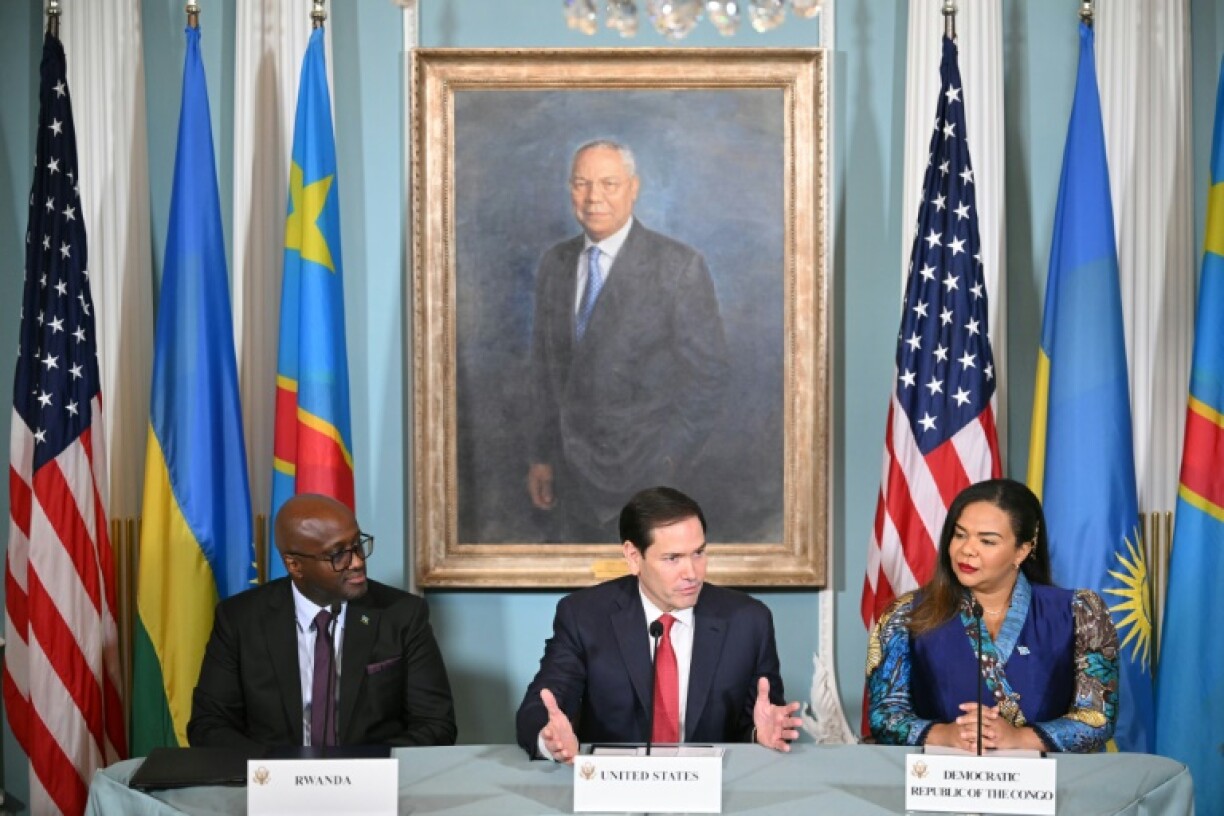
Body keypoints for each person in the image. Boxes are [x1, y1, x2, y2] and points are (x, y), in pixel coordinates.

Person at [527, 139, 729, 541]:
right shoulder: (555, 263)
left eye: (608, 183)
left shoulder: (678, 267)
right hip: (569, 479)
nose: (593, 197)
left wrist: (666, 463)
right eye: (581, 183)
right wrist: (542, 457)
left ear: (633, 188)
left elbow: (708, 378)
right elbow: (544, 371)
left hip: (647, 481)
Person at [515, 486, 802, 762]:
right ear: (633, 557)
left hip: (713, 792)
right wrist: (548, 738)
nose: (691, 573)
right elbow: (540, 707)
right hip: (616, 791)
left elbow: (759, 721)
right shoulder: (584, 616)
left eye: (698, 553)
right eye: (672, 558)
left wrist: (758, 734)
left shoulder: (748, 621)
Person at [866, 478, 1119, 753]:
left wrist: (1018, 739)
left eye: (987, 541)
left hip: (1053, 787)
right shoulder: (905, 615)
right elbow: (884, 715)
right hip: (939, 783)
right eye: (960, 535)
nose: (967, 549)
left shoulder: (1081, 612)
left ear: (1022, 550)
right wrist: (947, 735)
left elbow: (1098, 719)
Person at [188, 494, 456, 750]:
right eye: (338, 554)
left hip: (369, 785)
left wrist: (360, 769)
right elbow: (209, 725)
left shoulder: (402, 614)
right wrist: (276, 771)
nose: (357, 562)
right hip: (272, 784)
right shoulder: (239, 619)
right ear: (294, 565)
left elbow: (436, 724)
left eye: (358, 545)